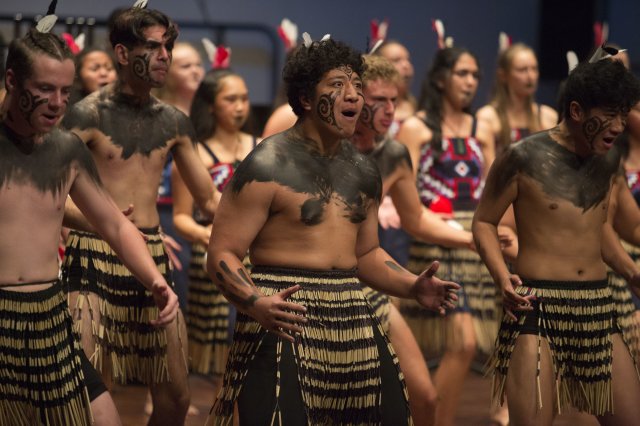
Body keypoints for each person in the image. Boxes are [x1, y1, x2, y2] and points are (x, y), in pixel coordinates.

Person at [205, 37, 460, 425]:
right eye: (338, 84)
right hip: (285, 315)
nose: (353, 94)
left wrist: (412, 286)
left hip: (350, 311)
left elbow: (366, 254)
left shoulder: (363, 170)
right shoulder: (267, 164)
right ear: (306, 99)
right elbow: (222, 253)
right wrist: (256, 303)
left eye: (357, 84)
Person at [0, 27, 177, 425]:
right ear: (12, 80)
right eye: (45, 89)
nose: (58, 103)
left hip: (48, 316)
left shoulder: (66, 149)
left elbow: (115, 224)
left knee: (105, 418)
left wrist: (155, 281)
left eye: (66, 91)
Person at [60, 7, 218, 425]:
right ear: (122, 53)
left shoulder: (174, 122)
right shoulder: (87, 114)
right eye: (153, 46)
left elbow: (209, 200)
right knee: (93, 391)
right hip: (94, 256)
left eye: (168, 46)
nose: (165, 55)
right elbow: (51, 194)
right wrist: (103, 223)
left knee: (175, 399)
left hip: (151, 258)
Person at [472, 58, 640, 425]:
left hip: (596, 305)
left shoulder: (608, 160)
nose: (619, 125)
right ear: (577, 111)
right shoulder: (521, 157)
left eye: (623, 114)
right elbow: (483, 222)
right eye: (609, 115)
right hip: (537, 308)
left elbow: (601, 228)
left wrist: (631, 272)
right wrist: (502, 277)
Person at [351, 53, 504, 426]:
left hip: (366, 280)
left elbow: (416, 217)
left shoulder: (392, 154)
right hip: (318, 282)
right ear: (353, 97)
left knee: (424, 397)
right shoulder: (325, 148)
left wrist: (472, 240)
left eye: (395, 100)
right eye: (380, 100)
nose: (391, 109)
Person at [396, 46, 498, 426]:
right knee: (463, 342)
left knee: (466, 347)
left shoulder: (482, 129)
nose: (470, 82)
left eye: (475, 75)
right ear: (441, 79)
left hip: (475, 242)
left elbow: (494, 192)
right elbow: (405, 193)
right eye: (462, 74)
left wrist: (501, 232)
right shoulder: (415, 128)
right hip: (435, 240)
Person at [173, 68, 257, 381]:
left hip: (258, 251)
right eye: (230, 99)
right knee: (218, 344)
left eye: (244, 99)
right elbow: (181, 216)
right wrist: (204, 234)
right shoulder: (195, 155)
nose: (240, 107)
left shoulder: (263, 146)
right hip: (211, 252)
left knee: (250, 332)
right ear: (211, 105)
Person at [153, 41, 205, 311]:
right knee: (178, 287)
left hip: (202, 210)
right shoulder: (157, 114)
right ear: (168, 73)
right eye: (186, 66)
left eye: (199, 64)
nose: (196, 71)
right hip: (166, 210)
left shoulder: (210, 112)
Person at [477, 43, 557, 156]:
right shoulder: (487, 117)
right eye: (522, 70)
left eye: (534, 69)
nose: (530, 76)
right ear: (503, 75)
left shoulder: (548, 116)